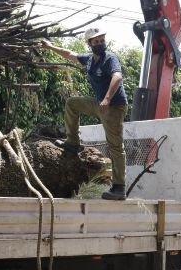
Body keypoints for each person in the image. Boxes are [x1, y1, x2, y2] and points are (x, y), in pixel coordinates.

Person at [42, 27, 128, 200]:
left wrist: (107, 99)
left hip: (114, 107)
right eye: (96, 41)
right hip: (99, 104)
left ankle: (119, 188)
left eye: (102, 40)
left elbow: (117, 77)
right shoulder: (89, 59)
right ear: (89, 44)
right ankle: (72, 141)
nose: (100, 43)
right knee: (72, 104)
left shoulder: (109, 58)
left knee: (116, 147)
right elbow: (70, 54)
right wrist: (50, 47)